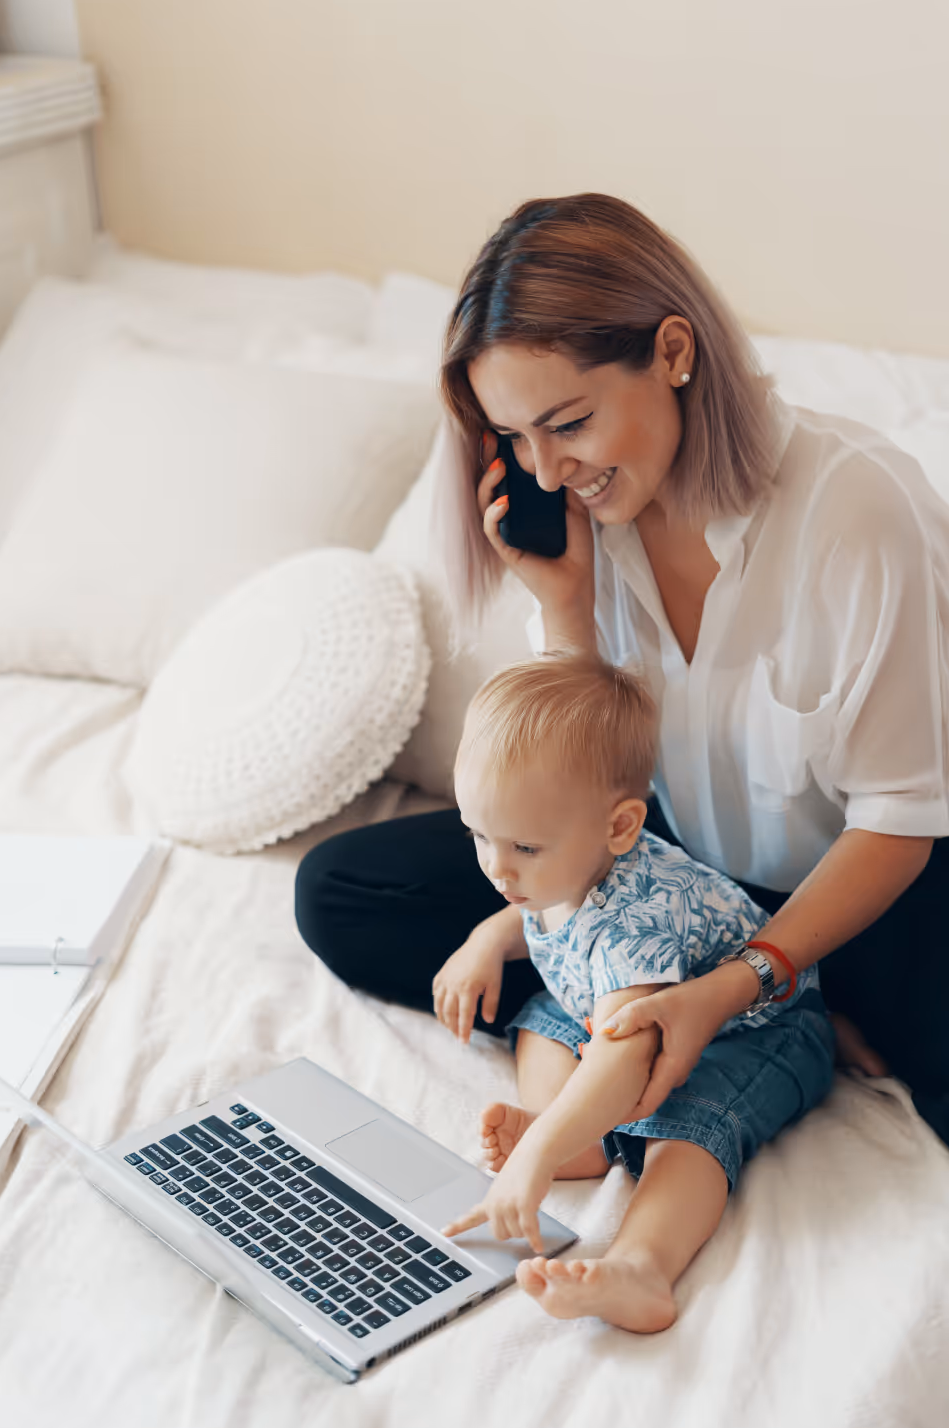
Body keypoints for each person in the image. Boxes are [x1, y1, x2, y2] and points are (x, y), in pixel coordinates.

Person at [295, 192, 949, 1143]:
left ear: (674, 354)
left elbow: (899, 821)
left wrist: (741, 980)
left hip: (869, 880)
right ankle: (735, 1012)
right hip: (666, 878)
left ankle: (785, 1000)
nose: (547, 472)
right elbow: (583, 783)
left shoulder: (857, 512)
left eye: (567, 423)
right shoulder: (587, 525)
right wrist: (565, 605)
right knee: (343, 895)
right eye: (516, 440)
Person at [438, 654, 833, 1330]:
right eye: (479, 835)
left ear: (620, 827)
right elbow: (540, 906)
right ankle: (575, 1134)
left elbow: (623, 1067)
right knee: (542, 1019)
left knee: (691, 1126)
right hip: (626, 1012)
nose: (496, 868)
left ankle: (642, 1267)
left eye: (523, 848)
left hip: (755, 1033)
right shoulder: (565, 857)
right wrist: (485, 942)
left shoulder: (635, 926)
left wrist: (530, 1162)